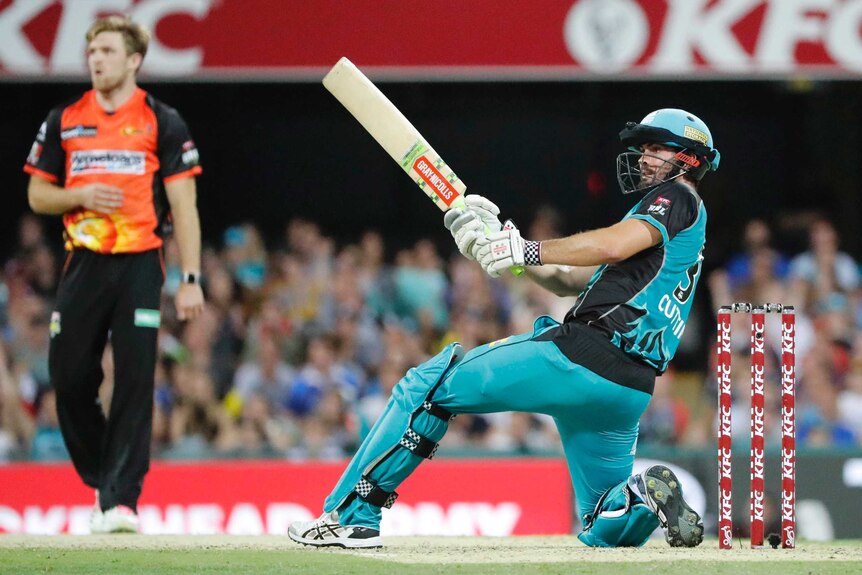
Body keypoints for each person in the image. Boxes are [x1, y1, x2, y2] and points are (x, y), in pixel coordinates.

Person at [287, 108, 719, 549]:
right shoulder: (672, 237)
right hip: (628, 390)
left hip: (580, 357)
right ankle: (642, 495)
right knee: (601, 524)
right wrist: (505, 249)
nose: (643, 157)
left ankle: (353, 517)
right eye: (642, 149)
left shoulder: (677, 198)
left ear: (688, 159)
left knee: (427, 386)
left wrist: (525, 248)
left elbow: (610, 242)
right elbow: (570, 279)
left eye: (655, 148)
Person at [23, 14, 204, 533]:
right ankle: (105, 475)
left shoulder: (160, 120)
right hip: (83, 263)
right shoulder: (65, 118)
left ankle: (122, 500)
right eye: (92, 51)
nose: (96, 59)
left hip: (141, 264)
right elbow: (37, 194)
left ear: (133, 60)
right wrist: (78, 195)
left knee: (134, 377)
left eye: (106, 50)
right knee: (69, 376)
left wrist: (190, 279)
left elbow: (184, 207)